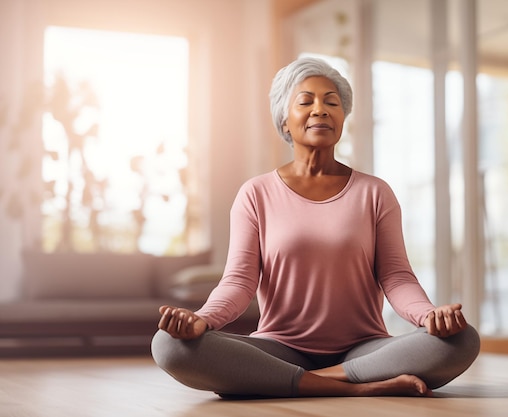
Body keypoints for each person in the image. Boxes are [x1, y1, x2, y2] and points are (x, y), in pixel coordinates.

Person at [151, 57, 480, 398]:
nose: (320, 110)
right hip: (278, 349)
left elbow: (396, 276)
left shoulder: (374, 192)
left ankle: (306, 380)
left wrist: (429, 317)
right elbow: (239, 281)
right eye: (306, 101)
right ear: (284, 118)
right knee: (169, 345)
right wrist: (202, 320)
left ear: (342, 117)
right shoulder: (256, 193)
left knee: (461, 339)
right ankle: (355, 388)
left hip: (363, 350)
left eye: (332, 102)